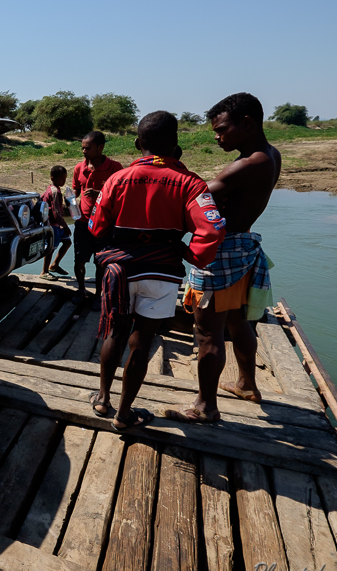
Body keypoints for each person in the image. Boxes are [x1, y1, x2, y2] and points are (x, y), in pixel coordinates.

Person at [87, 112, 225, 430]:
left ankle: (103, 399)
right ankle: (124, 415)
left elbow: (96, 227)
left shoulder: (117, 179)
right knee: (142, 341)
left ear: (138, 143)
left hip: (120, 270)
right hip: (162, 274)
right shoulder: (191, 183)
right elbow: (213, 227)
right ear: (176, 146)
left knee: (115, 333)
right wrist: (192, 255)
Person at [164, 93, 281, 424]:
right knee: (237, 320)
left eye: (222, 129)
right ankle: (246, 384)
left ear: (247, 123)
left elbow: (196, 197)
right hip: (243, 248)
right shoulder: (271, 155)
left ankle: (205, 407)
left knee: (206, 333)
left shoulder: (250, 164)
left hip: (221, 252)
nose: (217, 136)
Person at [71, 131, 123, 304]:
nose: (84, 152)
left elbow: (121, 195)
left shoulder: (115, 168)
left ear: (101, 147)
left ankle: (98, 295)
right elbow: (75, 191)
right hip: (83, 222)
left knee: (101, 262)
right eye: (83, 148)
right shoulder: (79, 167)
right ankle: (80, 290)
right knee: (79, 259)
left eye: (88, 148)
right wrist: (67, 198)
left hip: (104, 224)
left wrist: (99, 193)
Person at [40, 165, 72, 280]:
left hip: (57, 224)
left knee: (67, 242)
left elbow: (41, 198)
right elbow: (56, 212)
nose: (63, 181)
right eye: (61, 179)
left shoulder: (53, 189)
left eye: (64, 178)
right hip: (53, 224)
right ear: (53, 178)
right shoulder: (54, 192)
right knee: (50, 248)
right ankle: (44, 271)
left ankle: (54, 265)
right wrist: (65, 226)